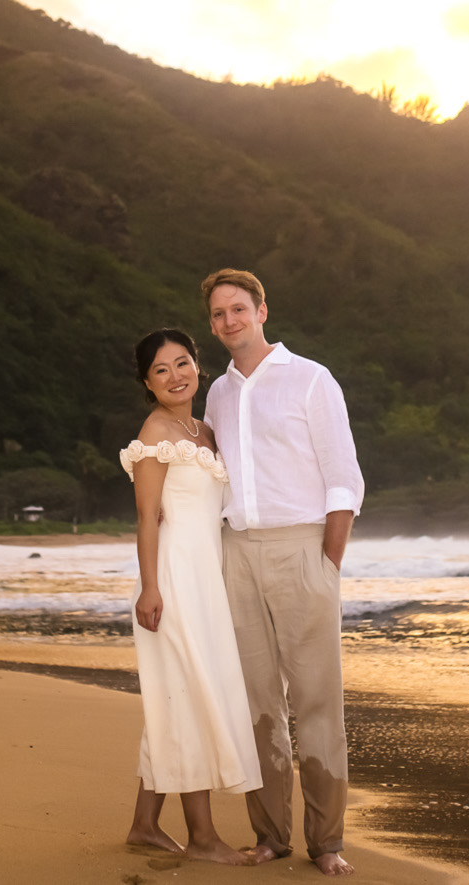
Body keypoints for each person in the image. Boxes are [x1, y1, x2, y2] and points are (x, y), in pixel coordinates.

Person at [201, 269, 365, 877]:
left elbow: (344, 477)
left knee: (318, 702)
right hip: (236, 551)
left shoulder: (311, 379)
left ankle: (327, 844)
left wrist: (328, 561)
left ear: (262, 310)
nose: (229, 322)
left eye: (238, 309)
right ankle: (270, 835)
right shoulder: (216, 393)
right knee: (256, 703)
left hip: (303, 549)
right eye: (218, 315)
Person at [121, 327, 261, 866]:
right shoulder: (155, 431)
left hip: (207, 579)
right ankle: (202, 838)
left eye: (182, 363)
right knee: (189, 695)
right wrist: (151, 587)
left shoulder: (203, 430)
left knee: (176, 696)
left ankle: (143, 826)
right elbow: (146, 517)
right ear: (147, 383)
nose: (175, 375)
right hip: (173, 579)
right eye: (161, 369)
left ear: (198, 367)